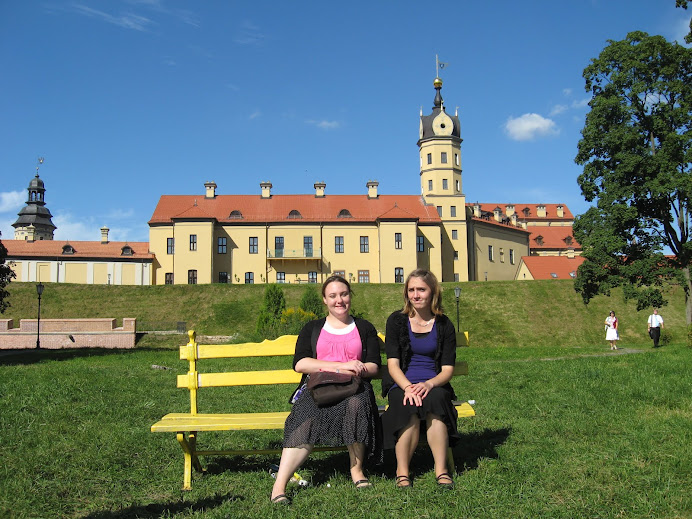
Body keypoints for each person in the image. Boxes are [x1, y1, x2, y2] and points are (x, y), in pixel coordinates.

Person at [270, 275, 382, 505]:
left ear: (350, 296)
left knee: (357, 404)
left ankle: (357, 470)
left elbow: (374, 365)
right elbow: (300, 364)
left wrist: (358, 369)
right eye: (333, 296)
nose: (339, 300)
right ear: (324, 300)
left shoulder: (363, 327)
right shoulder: (312, 328)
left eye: (343, 294)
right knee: (304, 418)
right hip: (319, 387)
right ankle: (279, 485)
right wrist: (341, 366)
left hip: (354, 387)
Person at [381, 269, 460, 489]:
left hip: (433, 383)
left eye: (421, 290)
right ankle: (402, 471)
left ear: (433, 292)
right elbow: (393, 365)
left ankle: (441, 470)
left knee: (435, 402)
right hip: (402, 383)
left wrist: (428, 384)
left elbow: (447, 369)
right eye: (411, 290)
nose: (416, 295)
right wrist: (408, 388)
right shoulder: (397, 321)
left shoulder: (444, 325)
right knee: (409, 406)